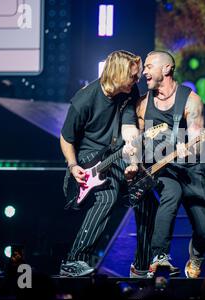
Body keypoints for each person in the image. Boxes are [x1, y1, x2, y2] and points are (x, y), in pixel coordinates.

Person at [59, 50, 141, 277]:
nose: (137, 81)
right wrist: (73, 166)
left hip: (112, 157)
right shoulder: (85, 99)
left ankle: (144, 262)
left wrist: (134, 159)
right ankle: (74, 260)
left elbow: (129, 127)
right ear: (117, 73)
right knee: (107, 195)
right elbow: (66, 138)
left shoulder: (129, 92)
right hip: (85, 159)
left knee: (145, 190)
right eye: (133, 76)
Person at [135, 50, 205, 278]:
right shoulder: (143, 104)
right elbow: (137, 140)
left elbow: (197, 144)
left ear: (167, 69)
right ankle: (159, 257)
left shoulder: (191, 100)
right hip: (161, 169)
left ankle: (196, 258)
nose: (144, 72)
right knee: (170, 195)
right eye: (144, 67)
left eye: (149, 66)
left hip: (189, 169)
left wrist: (184, 146)